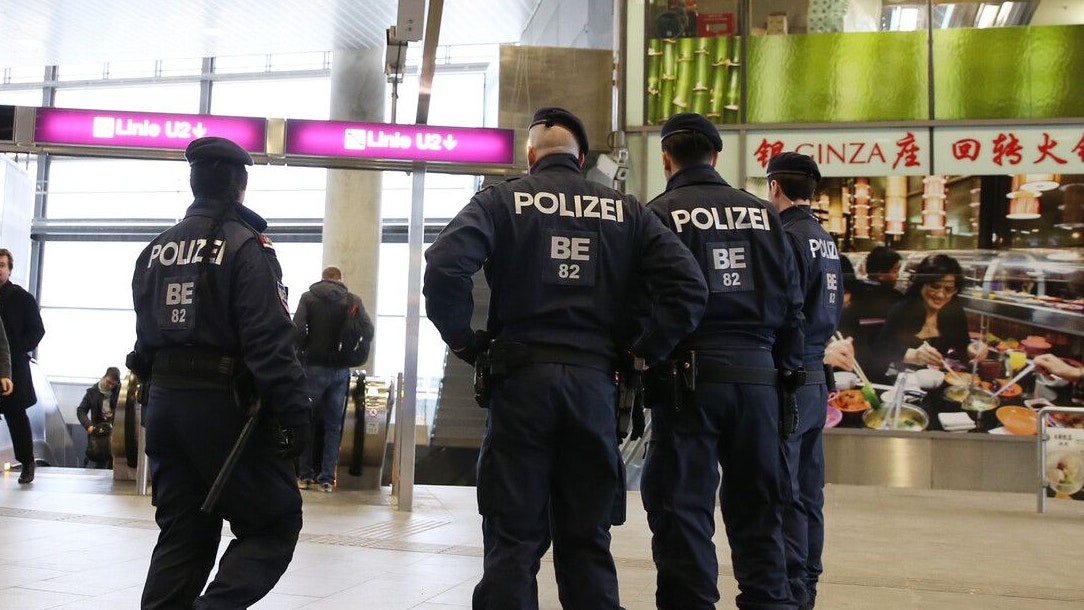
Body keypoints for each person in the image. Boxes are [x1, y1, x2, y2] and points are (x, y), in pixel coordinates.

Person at [423, 107, 708, 610]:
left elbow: (446, 264)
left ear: (531, 156)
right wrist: (642, 352)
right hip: (594, 386)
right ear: (581, 157)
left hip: (520, 384)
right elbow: (687, 287)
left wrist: (466, 341)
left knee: (512, 540)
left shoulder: (499, 201)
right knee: (587, 537)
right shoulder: (627, 210)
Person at [130, 136, 311, 609]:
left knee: (183, 534)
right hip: (222, 407)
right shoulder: (245, 247)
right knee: (274, 523)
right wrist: (296, 414)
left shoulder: (155, 250)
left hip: (164, 402)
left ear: (193, 182)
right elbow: (269, 342)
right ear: (241, 187)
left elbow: (142, 342)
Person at [640, 112, 805, 610]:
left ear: (666, 159)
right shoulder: (765, 216)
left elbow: (642, 302)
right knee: (760, 509)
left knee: (683, 509)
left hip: (686, 381)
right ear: (717, 156)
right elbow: (794, 307)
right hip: (759, 380)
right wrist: (788, 381)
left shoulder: (657, 214)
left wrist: (643, 361)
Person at [766, 152, 843, 610]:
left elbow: (786, 310)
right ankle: (808, 584)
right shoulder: (824, 238)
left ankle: (793, 590)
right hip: (818, 378)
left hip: (792, 378)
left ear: (774, 186)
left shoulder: (786, 237)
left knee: (787, 491)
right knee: (810, 492)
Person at [293, 265, 373, 493]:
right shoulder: (352, 299)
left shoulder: (308, 298)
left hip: (312, 368)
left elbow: (297, 329)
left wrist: (303, 352)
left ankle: (305, 475)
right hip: (340, 369)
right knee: (333, 425)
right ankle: (327, 478)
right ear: (340, 279)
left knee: (306, 420)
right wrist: (355, 354)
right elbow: (368, 330)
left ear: (322, 279)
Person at [877, 253, 974, 372]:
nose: (940, 295)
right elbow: (881, 349)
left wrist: (972, 350)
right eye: (934, 286)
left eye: (948, 289)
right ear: (921, 284)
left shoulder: (954, 311)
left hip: (936, 379)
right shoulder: (902, 309)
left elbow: (963, 346)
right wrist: (912, 355)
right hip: (902, 378)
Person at [0, 247, 46, 484]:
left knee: (16, 417)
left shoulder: (21, 298)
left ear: (9, 269)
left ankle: (27, 462)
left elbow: (38, 330)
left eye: (2, 265)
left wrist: (18, 348)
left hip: (14, 367)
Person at [76, 366, 121, 469]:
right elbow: (81, 410)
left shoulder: (119, 393)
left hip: (115, 434)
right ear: (104, 377)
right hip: (97, 434)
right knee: (94, 464)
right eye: (108, 382)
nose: (109, 386)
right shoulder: (93, 392)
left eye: (113, 384)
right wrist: (88, 425)